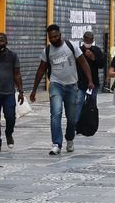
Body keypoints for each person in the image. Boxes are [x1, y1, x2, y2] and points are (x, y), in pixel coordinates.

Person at [30, 24, 95, 155]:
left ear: (60, 34)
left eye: (55, 36)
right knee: (56, 113)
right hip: (56, 84)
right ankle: (56, 144)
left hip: (72, 86)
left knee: (71, 118)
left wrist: (90, 81)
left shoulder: (71, 46)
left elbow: (83, 63)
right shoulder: (47, 51)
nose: (53, 39)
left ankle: (70, 139)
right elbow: (41, 70)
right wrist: (34, 90)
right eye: (51, 37)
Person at [79, 31, 106, 98]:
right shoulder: (79, 50)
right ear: (83, 40)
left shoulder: (96, 50)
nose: (88, 43)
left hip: (94, 81)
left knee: (92, 101)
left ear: (93, 40)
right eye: (86, 41)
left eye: (90, 41)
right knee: (79, 101)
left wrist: (93, 58)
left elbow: (101, 65)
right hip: (80, 81)